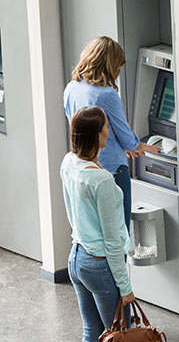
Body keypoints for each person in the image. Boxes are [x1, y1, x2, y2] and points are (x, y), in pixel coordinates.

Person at [61, 106, 142, 342]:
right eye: (106, 126)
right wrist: (126, 289)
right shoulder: (102, 181)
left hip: (77, 258)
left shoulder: (69, 164)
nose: (110, 130)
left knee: (93, 340)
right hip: (101, 267)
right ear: (98, 135)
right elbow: (112, 241)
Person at [63, 36, 158, 227]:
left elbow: (82, 127)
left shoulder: (72, 88)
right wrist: (146, 146)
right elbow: (126, 136)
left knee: (92, 228)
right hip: (112, 170)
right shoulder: (106, 94)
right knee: (117, 230)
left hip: (84, 166)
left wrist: (123, 144)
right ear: (109, 65)